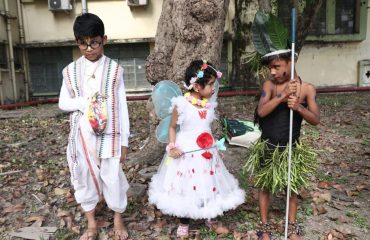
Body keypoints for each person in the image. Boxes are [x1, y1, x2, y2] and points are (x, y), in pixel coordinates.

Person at [148, 60, 245, 239]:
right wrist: (172, 146)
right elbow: (171, 128)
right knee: (186, 186)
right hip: (187, 152)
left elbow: (205, 126)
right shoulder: (182, 104)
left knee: (209, 181)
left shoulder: (208, 103)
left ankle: (210, 214)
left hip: (207, 150)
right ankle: (185, 221)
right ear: (197, 87)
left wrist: (215, 144)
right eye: (210, 85)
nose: (213, 88)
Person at [58, 13, 130, 240]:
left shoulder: (115, 70)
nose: (89, 48)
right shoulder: (70, 71)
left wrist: (125, 141)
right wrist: (84, 103)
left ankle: (118, 217)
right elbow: (63, 102)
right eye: (83, 43)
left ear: (104, 40)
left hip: (110, 134)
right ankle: (91, 222)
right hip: (81, 135)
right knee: (83, 175)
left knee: (112, 174)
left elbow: (122, 107)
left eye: (94, 43)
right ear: (77, 42)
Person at [245, 49, 320, 240]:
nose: (272, 72)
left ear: (290, 62)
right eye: (270, 68)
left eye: (276, 67)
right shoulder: (269, 86)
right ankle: (264, 226)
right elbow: (261, 112)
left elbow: (315, 119)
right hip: (268, 144)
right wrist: (283, 96)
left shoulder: (307, 89)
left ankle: (292, 226)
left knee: (291, 187)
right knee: (265, 185)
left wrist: (299, 107)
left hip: (291, 147)